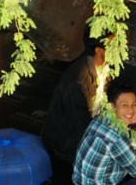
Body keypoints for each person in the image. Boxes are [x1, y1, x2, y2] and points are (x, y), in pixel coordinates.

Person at [39, 35, 111, 172]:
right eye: (114, 45)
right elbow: (80, 121)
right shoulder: (78, 81)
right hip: (66, 145)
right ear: (99, 51)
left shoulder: (102, 69)